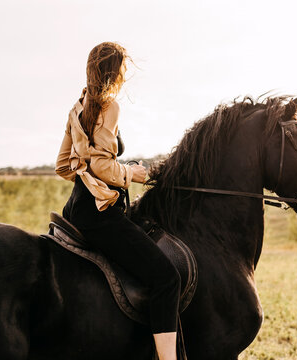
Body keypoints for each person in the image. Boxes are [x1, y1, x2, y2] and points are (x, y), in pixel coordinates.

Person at [55, 41, 181, 360]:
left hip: (74, 208)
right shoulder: (108, 106)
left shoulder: (79, 107)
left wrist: (85, 169)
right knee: (167, 277)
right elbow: (100, 165)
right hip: (99, 216)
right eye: (124, 68)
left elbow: (62, 166)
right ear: (116, 72)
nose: (125, 74)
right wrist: (131, 173)